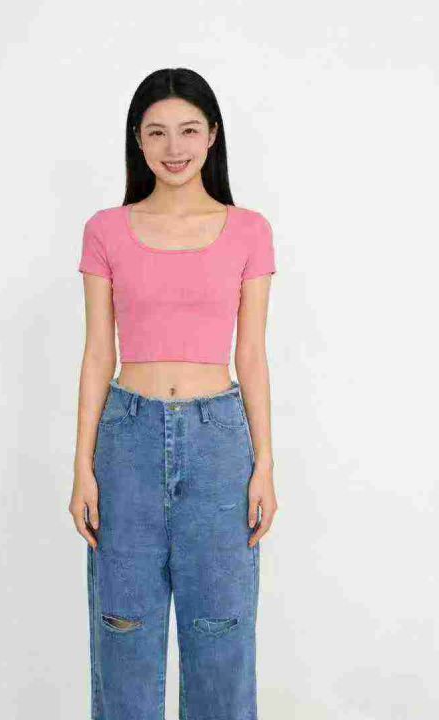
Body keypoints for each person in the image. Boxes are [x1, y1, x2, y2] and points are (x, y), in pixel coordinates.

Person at [70, 67, 278, 720]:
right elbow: (98, 354)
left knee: (222, 630)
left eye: (188, 130)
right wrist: (82, 466)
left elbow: (251, 354)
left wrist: (265, 464)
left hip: (219, 445)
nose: (174, 146)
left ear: (213, 135)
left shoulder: (249, 230)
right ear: (137, 139)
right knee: (123, 630)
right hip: (126, 442)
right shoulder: (106, 229)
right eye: (156, 132)